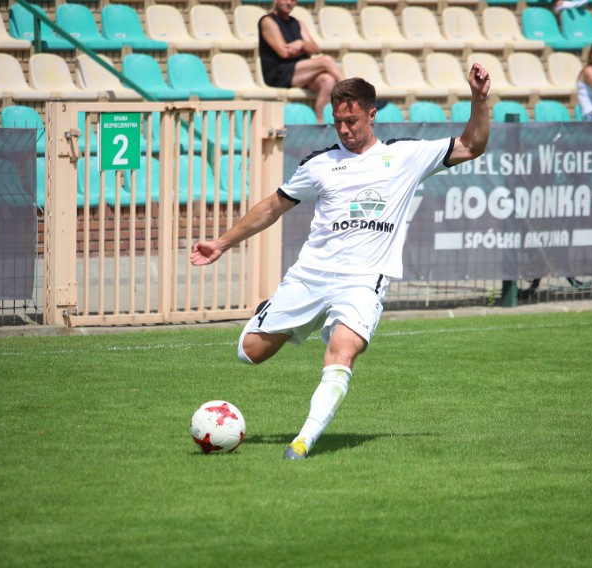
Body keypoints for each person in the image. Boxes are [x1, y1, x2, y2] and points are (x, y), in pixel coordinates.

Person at [190, 65, 492, 460]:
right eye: (337, 123)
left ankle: (303, 441)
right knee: (250, 352)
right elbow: (271, 207)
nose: (345, 129)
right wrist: (222, 243)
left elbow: (472, 145)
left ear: (371, 114)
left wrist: (480, 98)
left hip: (363, 280)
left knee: (342, 350)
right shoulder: (319, 164)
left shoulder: (405, 155)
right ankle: (279, 312)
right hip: (311, 275)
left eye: (351, 121)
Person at [259, 0, 344, 124]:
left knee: (328, 80)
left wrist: (301, 44)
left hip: (301, 72)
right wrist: (305, 49)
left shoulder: (297, 23)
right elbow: (283, 52)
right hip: (278, 73)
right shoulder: (268, 21)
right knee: (327, 60)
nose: (289, 3)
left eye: (293, 0)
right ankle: (354, 91)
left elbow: (315, 49)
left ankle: (320, 122)